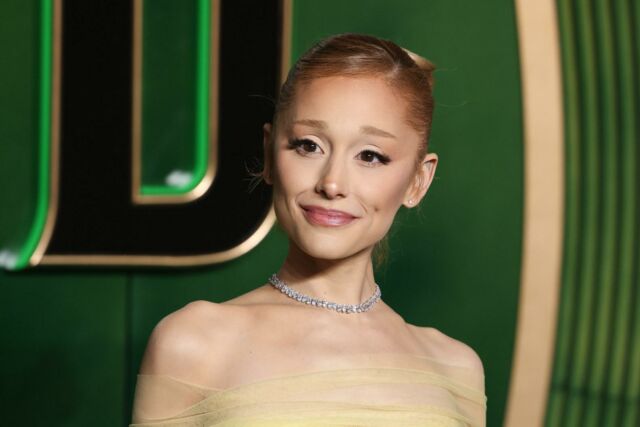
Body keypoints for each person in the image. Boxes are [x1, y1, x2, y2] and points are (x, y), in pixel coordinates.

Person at [129, 33, 486, 427]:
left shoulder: (456, 368)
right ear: (269, 153)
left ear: (418, 181)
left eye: (370, 156)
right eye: (309, 146)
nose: (332, 183)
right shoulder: (193, 342)